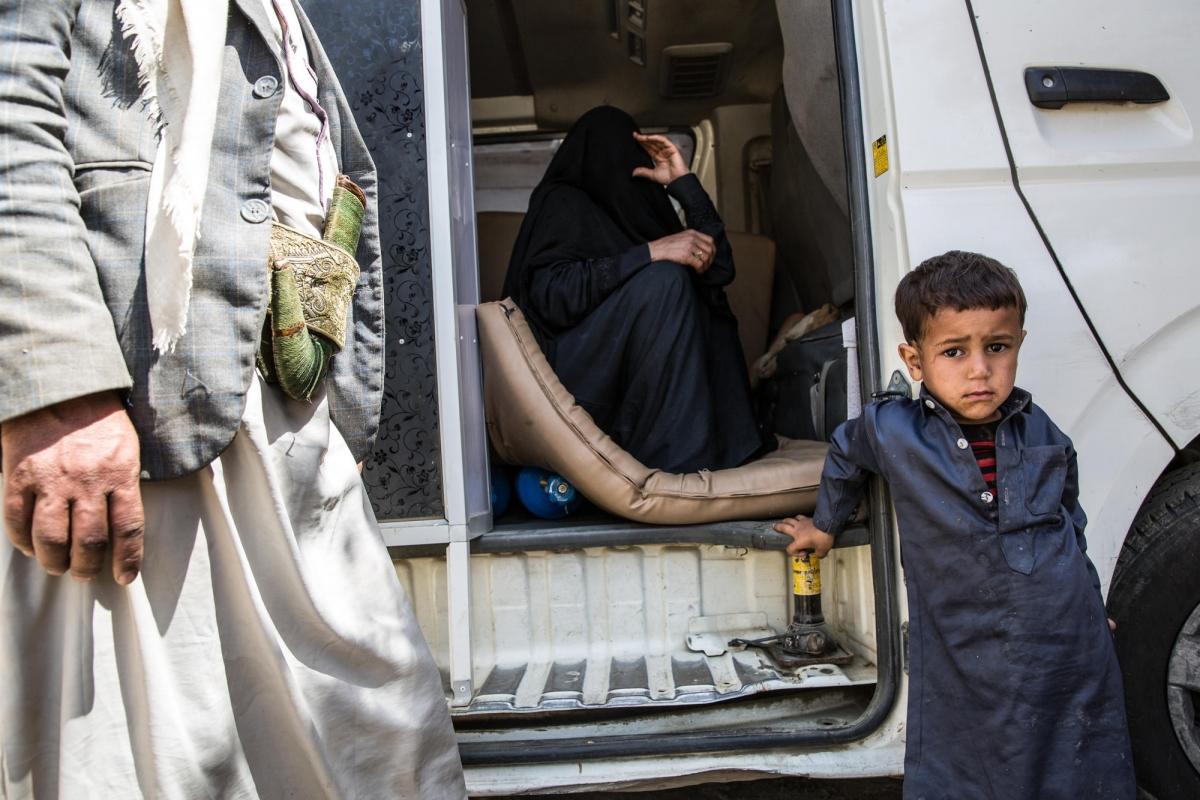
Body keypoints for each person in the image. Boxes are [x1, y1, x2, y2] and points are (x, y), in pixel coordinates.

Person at [0, 2, 466, 797]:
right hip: (135, 421)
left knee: (372, 744)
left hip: (273, 422)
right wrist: (61, 391)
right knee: (144, 758)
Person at [775, 251, 1135, 798]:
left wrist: (1091, 601)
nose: (979, 371)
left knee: (1077, 759)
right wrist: (824, 528)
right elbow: (846, 454)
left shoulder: (1041, 430)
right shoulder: (893, 428)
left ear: (1018, 342)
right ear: (914, 361)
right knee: (972, 764)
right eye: (953, 351)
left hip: (1065, 635)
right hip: (965, 642)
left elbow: (1069, 519)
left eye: (997, 347)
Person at [502, 105, 770, 473]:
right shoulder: (563, 201)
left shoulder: (639, 210)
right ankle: (677, 461)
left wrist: (683, 183)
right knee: (667, 279)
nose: (625, 163)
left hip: (636, 381)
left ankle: (714, 447)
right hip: (571, 384)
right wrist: (650, 254)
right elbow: (552, 296)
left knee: (699, 291)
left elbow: (718, 269)